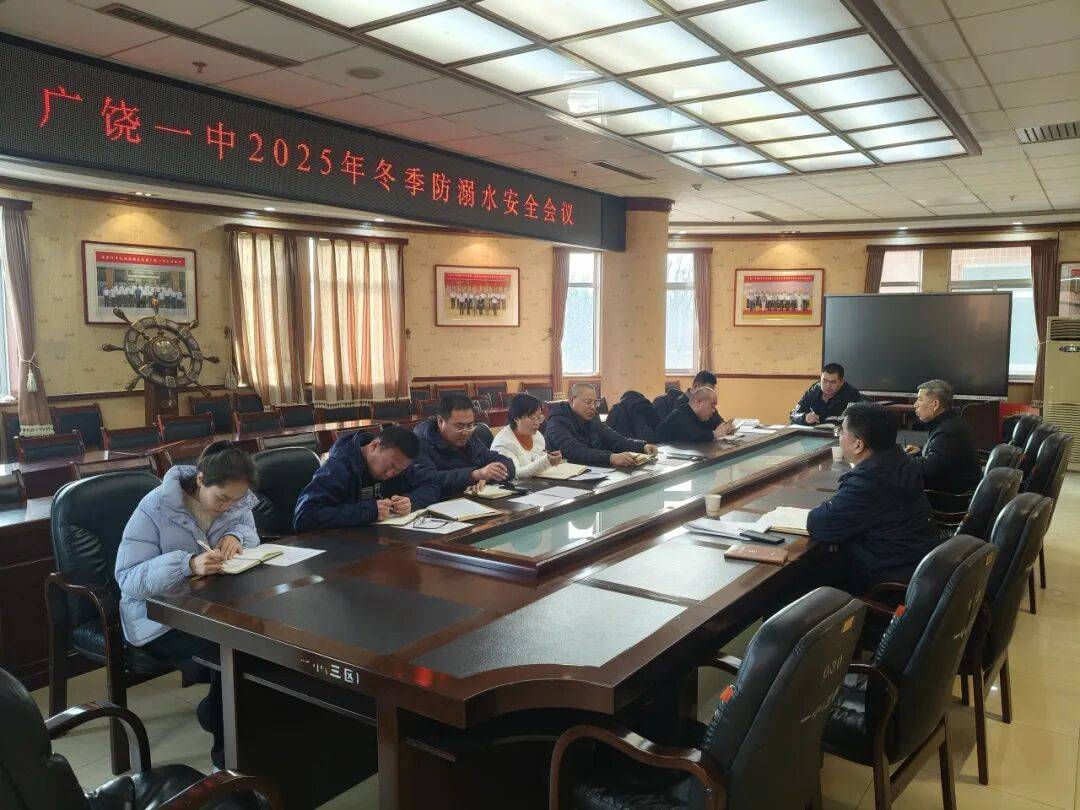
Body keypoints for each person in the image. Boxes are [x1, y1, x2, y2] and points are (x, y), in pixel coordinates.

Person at [114, 441, 260, 768]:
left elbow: (250, 532)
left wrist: (237, 537)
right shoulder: (155, 507)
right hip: (159, 618)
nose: (228, 507)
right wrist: (187, 565)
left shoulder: (236, 500)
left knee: (260, 645)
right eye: (222, 499)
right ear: (201, 479)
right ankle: (226, 762)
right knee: (232, 654)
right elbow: (127, 577)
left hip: (214, 605)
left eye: (236, 500)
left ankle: (225, 719)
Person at [807, 403, 941, 594]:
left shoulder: (869, 480)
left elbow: (819, 524)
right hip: (915, 564)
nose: (839, 436)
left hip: (885, 581)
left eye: (842, 432)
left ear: (858, 444)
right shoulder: (901, 460)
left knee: (802, 577)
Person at [293, 425, 439, 532]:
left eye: (399, 470)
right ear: (374, 446)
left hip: (382, 538)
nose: (391, 474)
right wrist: (368, 511)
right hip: (340, 547)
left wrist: (411, 501)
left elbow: (431, 486)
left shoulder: (398, 463)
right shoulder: (338, 468)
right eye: (390, 466)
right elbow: (304, 518)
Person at [415, 393, 516, 499]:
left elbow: (506, 463)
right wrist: (473, 475)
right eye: (459, 426)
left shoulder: (470, 440)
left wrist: (488, 477)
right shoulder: (420, 443)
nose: (465, 432)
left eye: (470, 425)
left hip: (472, 500)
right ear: (440, 421)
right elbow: (429, 479)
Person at [544, 382, 656, 467]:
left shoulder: (592, 418)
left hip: (592, 470)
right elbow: (573, 450)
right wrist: (610, 457)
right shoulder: (557, 421)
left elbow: (615, 439)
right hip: (565, 475)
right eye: (588, 402)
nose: (593, 407)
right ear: (572, 400)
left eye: (595, 403)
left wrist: (642, 446)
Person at [904, 379, 981, 495]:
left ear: (935, 404)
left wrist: (900, 459)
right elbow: (943, 459)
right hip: (951, 489)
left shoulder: (949, 432)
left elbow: (928, 470)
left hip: (947, 498)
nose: (915, 405)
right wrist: (921, 452)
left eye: (920, 399)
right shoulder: (952, 423)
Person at [490, 394, 562, 478]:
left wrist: (551, 459)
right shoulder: (503, 444)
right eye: (532, 418)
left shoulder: (537, 436)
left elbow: (538, 463)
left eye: (539, 418)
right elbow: (515, 474)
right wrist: (547, 461)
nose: (537, 423)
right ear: (517, 419)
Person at [651, 386, 735, 443]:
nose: (713, 410)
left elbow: (716, 426)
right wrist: (715, 434)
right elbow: (694, 435)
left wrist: (726, 428)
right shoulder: (679, 415)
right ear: (698, 402)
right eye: (712, 406)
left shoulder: (702, 416)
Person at [790, 363, 863, 425]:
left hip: (838, 434)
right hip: (814, 433)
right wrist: (804, 418)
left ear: (841, 382)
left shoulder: (851, 394)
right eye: (824, 381)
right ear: (820, 378)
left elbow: (853, 419)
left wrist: (827, 420)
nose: (828, 386)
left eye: (833, 382)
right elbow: (793, 415)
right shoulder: (814, 390)